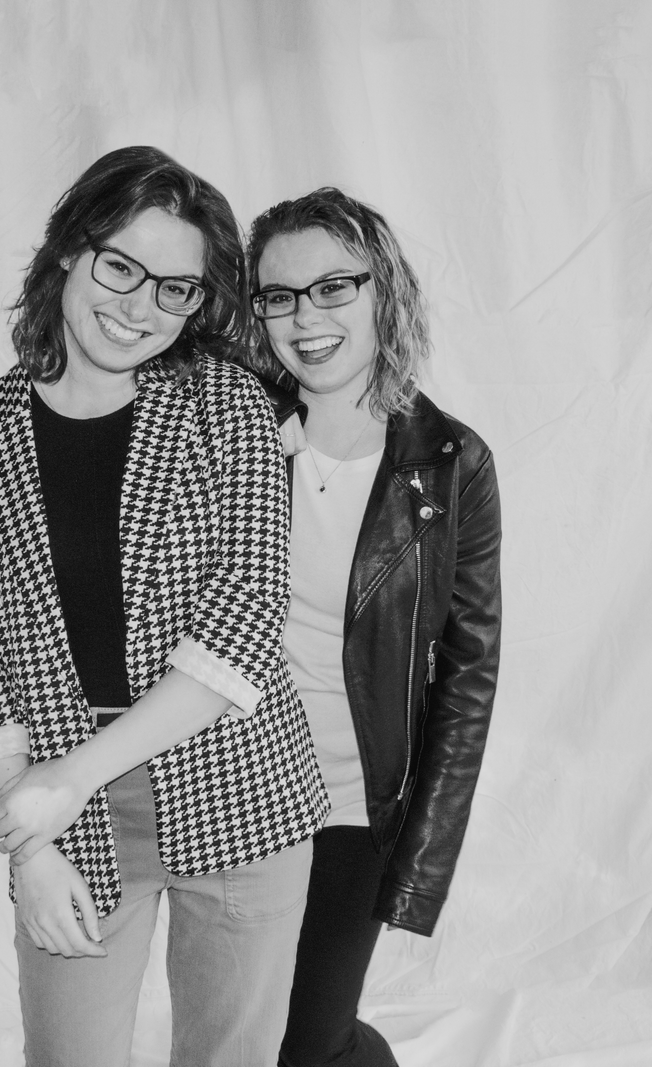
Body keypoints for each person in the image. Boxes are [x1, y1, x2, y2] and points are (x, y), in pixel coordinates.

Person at [0, 146, 329, 1067]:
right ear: (71, 249)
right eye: (121, 268)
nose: (140, 307)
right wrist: (32, 845)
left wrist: (72, 776)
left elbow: (245, 617)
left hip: (241, 789)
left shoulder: (228, 406)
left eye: (175, 288)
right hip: (65, 815)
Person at [242, 188, 502, 1067]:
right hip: (235, 790)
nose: (305, 317)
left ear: (382, 289)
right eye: (279, 295)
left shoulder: (450, 463)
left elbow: (468, 673)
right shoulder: (233, 431)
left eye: (332, 287)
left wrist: (421, 859)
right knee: (243, 1033)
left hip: (355, 802)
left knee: (310, 1040)